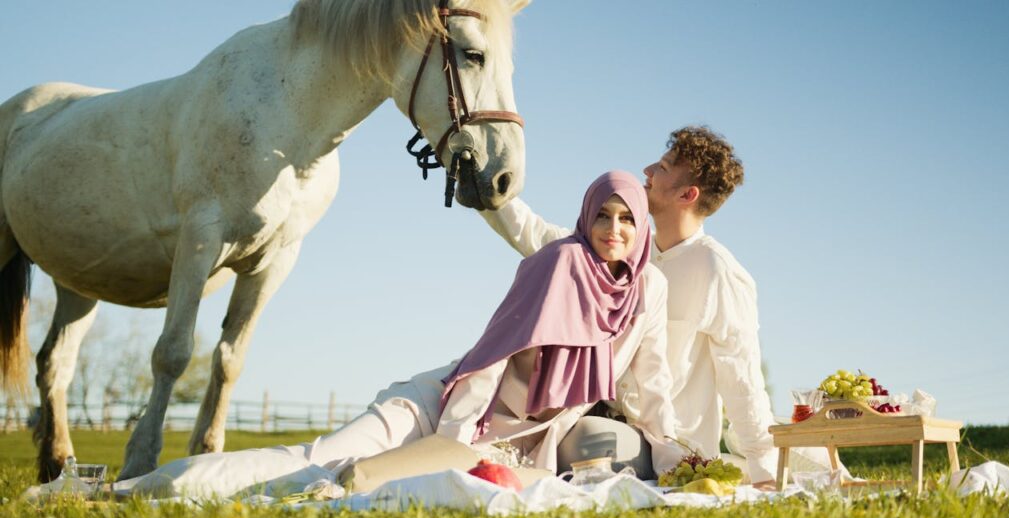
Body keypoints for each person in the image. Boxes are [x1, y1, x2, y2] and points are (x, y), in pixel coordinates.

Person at [114, 171, 684, 497]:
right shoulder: (558, 264)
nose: (615, 229)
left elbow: (650, 384)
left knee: (362, 487)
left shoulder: (648, 292)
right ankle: (127, 492)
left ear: (642, 228)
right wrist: (454, 439)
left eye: (628, 218)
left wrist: (677, 453)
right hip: (440, 410)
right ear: (587, 216)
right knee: (313, 462)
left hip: (504, 444)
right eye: (604, 216)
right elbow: (491, 358)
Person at [478, 126, 780, 487]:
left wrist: (765, 474)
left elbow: (742, 381)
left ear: (688, 194)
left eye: (664, 167)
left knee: (589, 439)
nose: (648, 170)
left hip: (664, 442)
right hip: (588, 416)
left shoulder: (719, 271)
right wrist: (482, 183)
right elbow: (540, 235)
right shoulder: (628, 249)